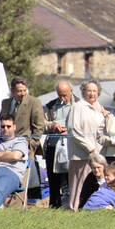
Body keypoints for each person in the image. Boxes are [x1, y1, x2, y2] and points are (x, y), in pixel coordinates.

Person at [66, 81, 106, 211]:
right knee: (79, 184)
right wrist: (90, 148)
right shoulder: (77, 107)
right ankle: (74, 209)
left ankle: (89, 209)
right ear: (83, 92)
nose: (92, 93)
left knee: (94, 183)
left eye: (94, 91)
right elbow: (74, 130)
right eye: (89, 91)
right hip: (81, 154)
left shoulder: (100, 108)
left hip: (98, 154)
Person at [43, 81, 76, 209]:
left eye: (65, 95)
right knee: (53, 178)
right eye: (60, 95)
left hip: (72, 146)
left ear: (71, 92)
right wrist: (52, 125)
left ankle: (71, 205)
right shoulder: (50, 106)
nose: (62, 98)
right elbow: (42, 123)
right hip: (53, 146)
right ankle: (54, 205)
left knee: (70, 178)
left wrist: (70, 130)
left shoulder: (78, 104)